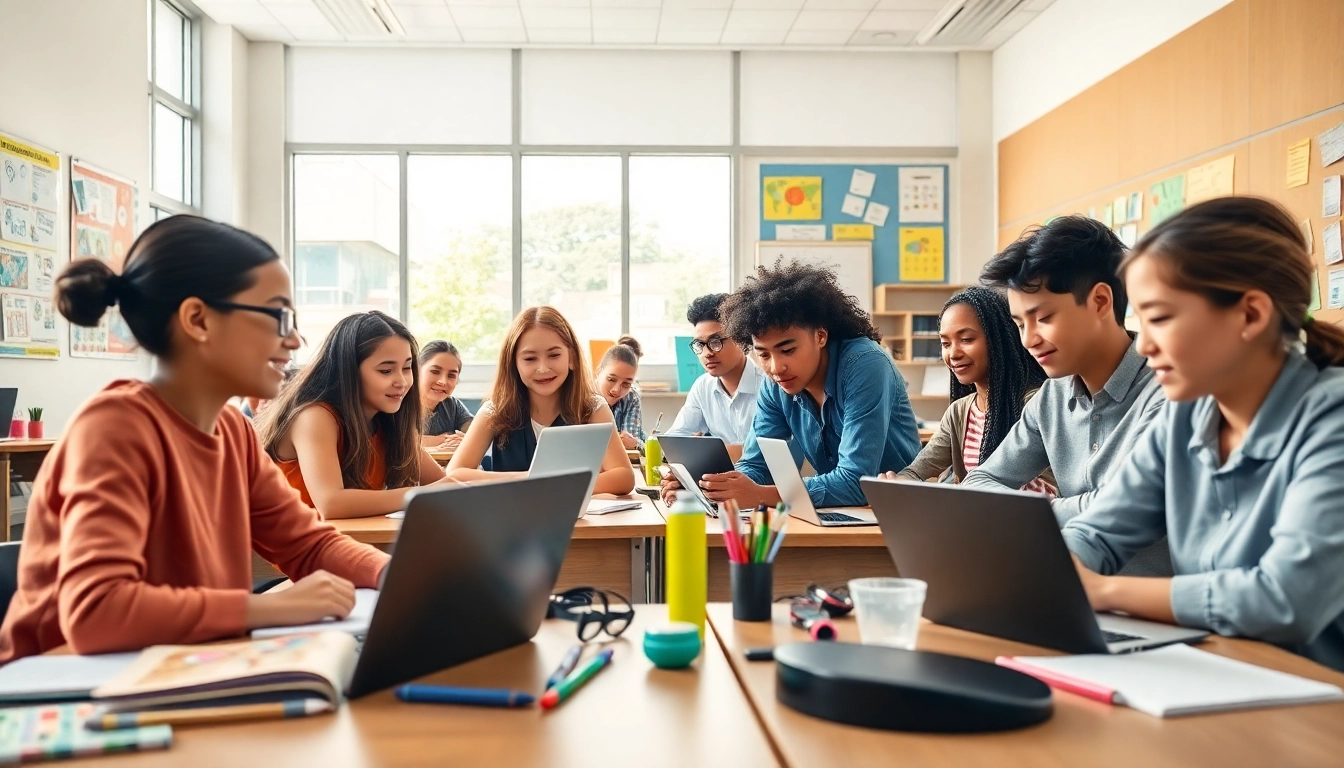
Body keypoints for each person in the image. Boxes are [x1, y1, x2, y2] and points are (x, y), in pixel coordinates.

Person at [0, 216, 388, 662]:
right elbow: (97, 612)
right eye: (279, 316)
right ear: (198, 319)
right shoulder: (114, 427)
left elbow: (307, 545)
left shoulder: (233, 431)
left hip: (178, 669)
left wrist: (398, 574)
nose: (295, 339)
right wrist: (264, 608)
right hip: (54, 695)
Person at [1064, 197, 1344, 672]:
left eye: (1161, 318)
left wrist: (1105, 590)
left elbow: (1285, 601)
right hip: (1219, 677)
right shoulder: (1186, 414)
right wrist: (1059, 567)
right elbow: (1097, 533)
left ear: (1251, 315)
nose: (1145, 345)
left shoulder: (1331, 416)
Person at [962, 216, 1167, 530]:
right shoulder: (1052, 397)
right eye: (1019, 324)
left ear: (1100, 301)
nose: (1029, 340)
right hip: (1061, 574)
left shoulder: (1166, 391)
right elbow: (980, 481)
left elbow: (1120, 509)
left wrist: (1022, 511)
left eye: (1043, 318)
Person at [691, 260, 920, 509]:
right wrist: (714, 486)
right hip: (839, 513)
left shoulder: (865, 364)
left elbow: (856, 482)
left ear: (820, 336)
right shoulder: (776, 384)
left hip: (897, 511)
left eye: (787, 350)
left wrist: (761, 495)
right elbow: (757, 464)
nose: (776, 368)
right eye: (763, 355)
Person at [256, 311, 454, 520]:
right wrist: (424, 493)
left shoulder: (387, 421)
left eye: (406, 368)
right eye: (386, 371)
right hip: (277, 549)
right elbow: (331, 504)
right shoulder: (315, 416)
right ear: (348, 372)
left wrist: (460, 485)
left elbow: (440, 482)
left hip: (339, 544)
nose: (402, 381)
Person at [446, 306, 634, 496]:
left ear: (572, 358)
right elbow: (454, 474)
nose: (543, 368)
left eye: (554, 355)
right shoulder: (495, 411)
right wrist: (530, 480)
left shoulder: (592, 408)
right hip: (509, 522)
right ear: (513, 364)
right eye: (529, 359)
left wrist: (556, 486)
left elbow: (624, 477)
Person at [889, 287, 1054, 493]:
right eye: (945, 343)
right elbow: (915, 472)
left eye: (966, 339)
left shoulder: (1037, 403)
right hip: (974, 522)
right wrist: (898, 482)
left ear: (999, 340)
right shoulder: (959, 412)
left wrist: (966, 492)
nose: (953, 353)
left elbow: (1049, 489)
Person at [661, 293, 762, 451]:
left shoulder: (768, 385)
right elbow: (675, 439)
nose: (707, 352)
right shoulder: (703, 386)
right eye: (700, 344)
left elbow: (763, 453)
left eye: (715, 342)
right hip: (714, 473)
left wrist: (702, 451)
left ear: (741, 339)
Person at [419, 340, 474, 451]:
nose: (443, 381)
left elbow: (474, 437)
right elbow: (397, 442)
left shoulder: (453, 406)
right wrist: (442, 440)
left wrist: (466, 440)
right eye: (435, 371)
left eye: (451, 375)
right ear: (416, 371)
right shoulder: (400, 404)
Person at [595, 335, 645, 451]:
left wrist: (635, 443)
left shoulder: (631, 398)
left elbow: (630, 443)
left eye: (626, 384)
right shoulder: (582, 394)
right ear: (599, 372)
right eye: (611, 379)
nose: (616, 390)